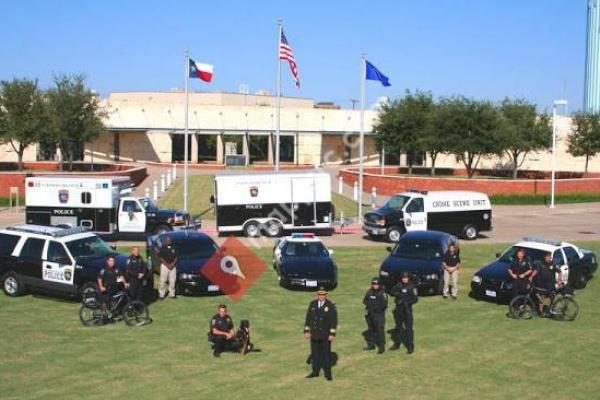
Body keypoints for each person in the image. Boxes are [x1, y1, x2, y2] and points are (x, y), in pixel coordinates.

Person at [304, 287, 337, 381]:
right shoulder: (313, 304)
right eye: (319, 294)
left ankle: (328, 374)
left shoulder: (330, 306)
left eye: (323, 294)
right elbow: (308, 318)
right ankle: (315, 372)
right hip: (314, 334)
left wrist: (332, 334)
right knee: (315, 354)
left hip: (325, 335)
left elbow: (333, 321)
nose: (321, 296)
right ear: (317, 294)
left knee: (326, 355)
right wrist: (306, 331)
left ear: (326, 295)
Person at [389, 272, 418, 354]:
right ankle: (396, 344)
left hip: (407, 310)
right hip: (398, 309)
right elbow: (391, 292)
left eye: (406, 278)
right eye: (403, 278)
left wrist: (408, 302)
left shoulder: (412, 287)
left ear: (408, 278)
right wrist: (397, 294)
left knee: (408, 329)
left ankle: (410, 347)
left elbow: (415, 299)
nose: (404, 279)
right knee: (398, 327)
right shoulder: (398, 285)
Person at [363, 277, 387, 354]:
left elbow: (384, 304)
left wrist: (376, 308)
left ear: (379, 284)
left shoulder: (382, 293)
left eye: (376, 284)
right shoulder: (369, 292)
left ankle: (381, 347)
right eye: (373, 284)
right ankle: (371, 344)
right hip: (370, 314)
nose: (375, 285)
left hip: (378, 315)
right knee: (371, 329)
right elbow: (364, 300)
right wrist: (369, 305)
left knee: (380, 330)